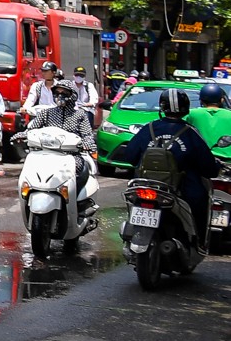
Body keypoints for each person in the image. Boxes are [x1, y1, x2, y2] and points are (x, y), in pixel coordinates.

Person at [112, 87, 220, 235]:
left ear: (162, 107)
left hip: (146, 185)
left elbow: (130, 157)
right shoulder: (191, 133)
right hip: (181, 190)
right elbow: (209, 168)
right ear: (186, 108)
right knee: (200, 201)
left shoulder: (148, 129)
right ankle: (197, 240)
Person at [24, 81, 99, 207]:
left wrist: (88, 144)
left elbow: (87, 135)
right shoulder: (46, 113)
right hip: (46, 154)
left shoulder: (80, 115)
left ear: (73, 95)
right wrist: (21, 136)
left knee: (81, 171)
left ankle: (76, 203)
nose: (60, 96)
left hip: (72, 156)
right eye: (57, 93)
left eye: (64, 93)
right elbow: (31, 130)